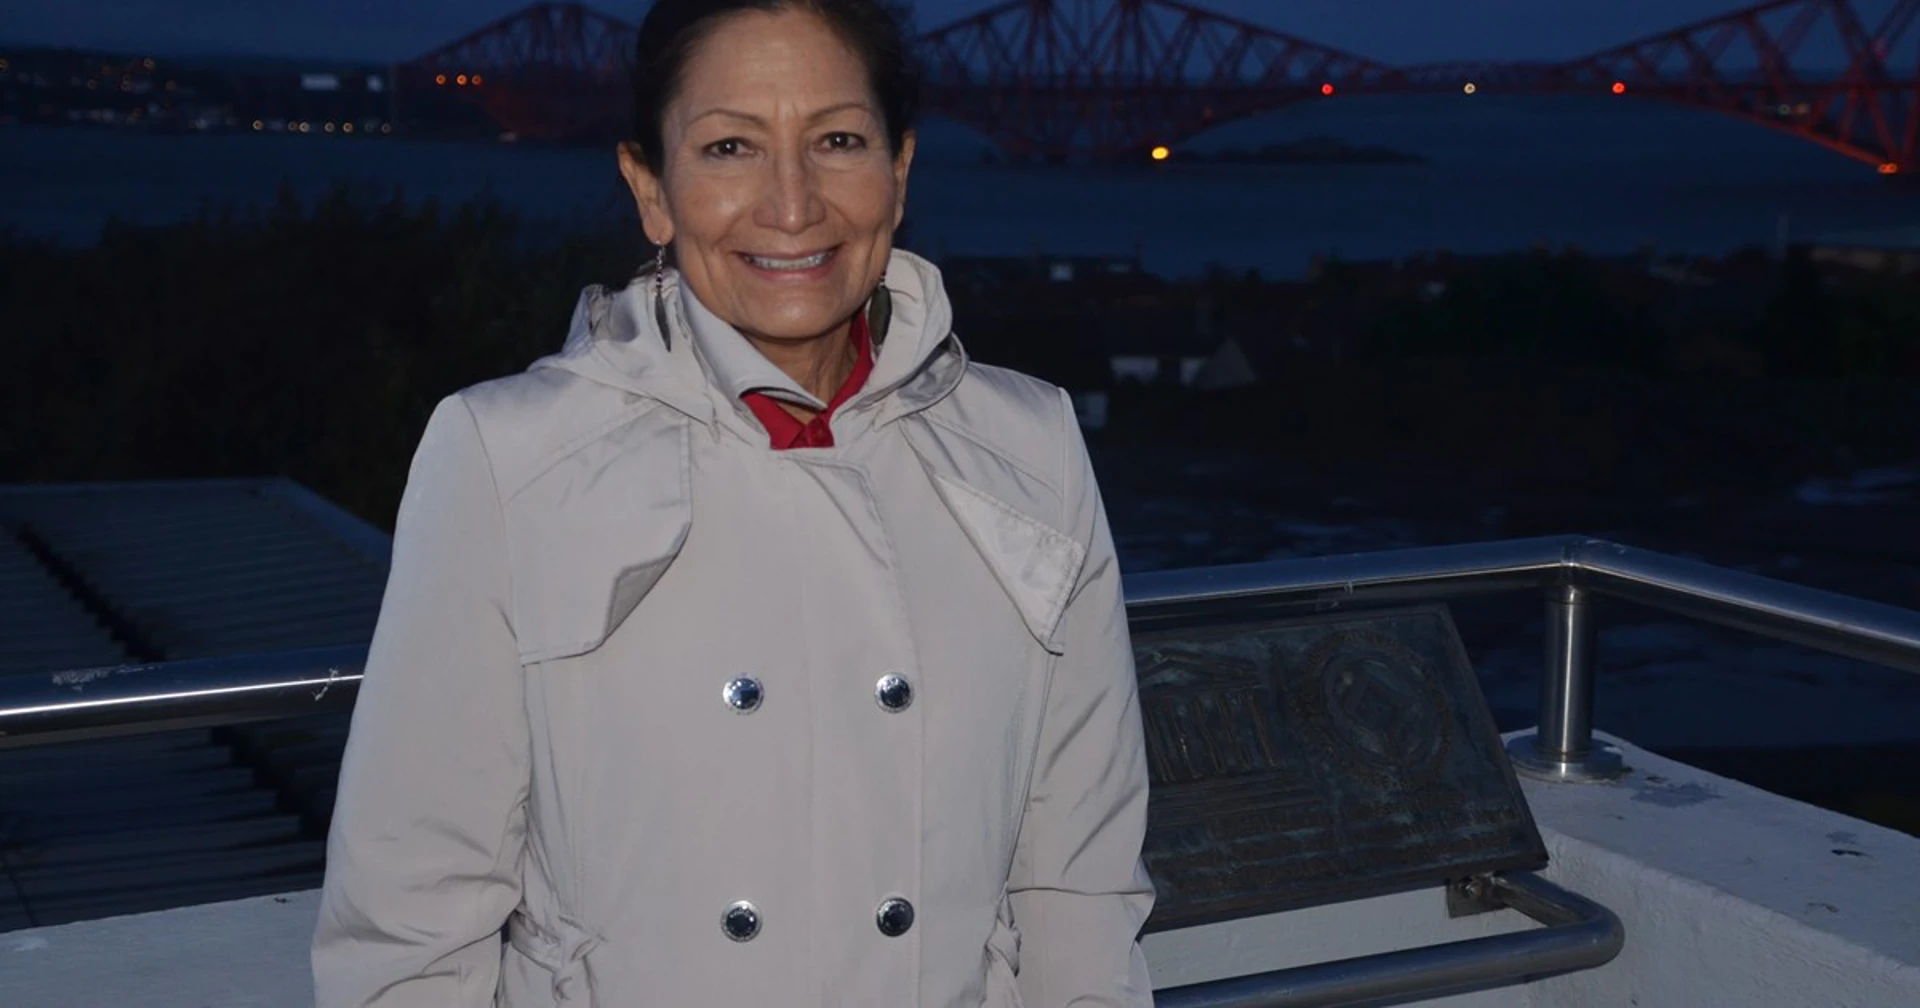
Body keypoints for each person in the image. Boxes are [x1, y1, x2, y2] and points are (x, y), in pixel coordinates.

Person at [311, 0, 1155, 1004]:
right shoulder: (504, 458)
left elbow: (1080, 883)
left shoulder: (1032, 450)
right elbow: (412, 919)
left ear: (902, 171)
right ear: (651, 191)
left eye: (838, 140)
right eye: (729, 148)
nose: (792, 204)